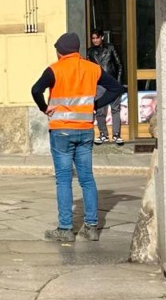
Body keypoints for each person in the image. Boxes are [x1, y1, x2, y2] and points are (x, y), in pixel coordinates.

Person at [31, 32, 126, 243]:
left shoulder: (54, 69)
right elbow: (116, 88)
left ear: (60, 51)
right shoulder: (92, 68)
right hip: (85, 130)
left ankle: (65, 228)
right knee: (87, 178)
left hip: (62, 131)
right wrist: (95, 105)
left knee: (63, 180)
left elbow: (35, 90)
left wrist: (45, 108)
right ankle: (91, 227)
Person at [87, 30, 125, 146]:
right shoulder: (90, 51)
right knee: (99, 111)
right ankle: (103, 134)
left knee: (115, 109)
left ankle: (116, 135)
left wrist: (118, 82)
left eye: (97, 38)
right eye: (93, 38)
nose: (95, 40)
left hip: (113, 83)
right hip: (99, 84)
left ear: (102, 37)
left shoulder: (110, 48)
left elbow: (119, 65)